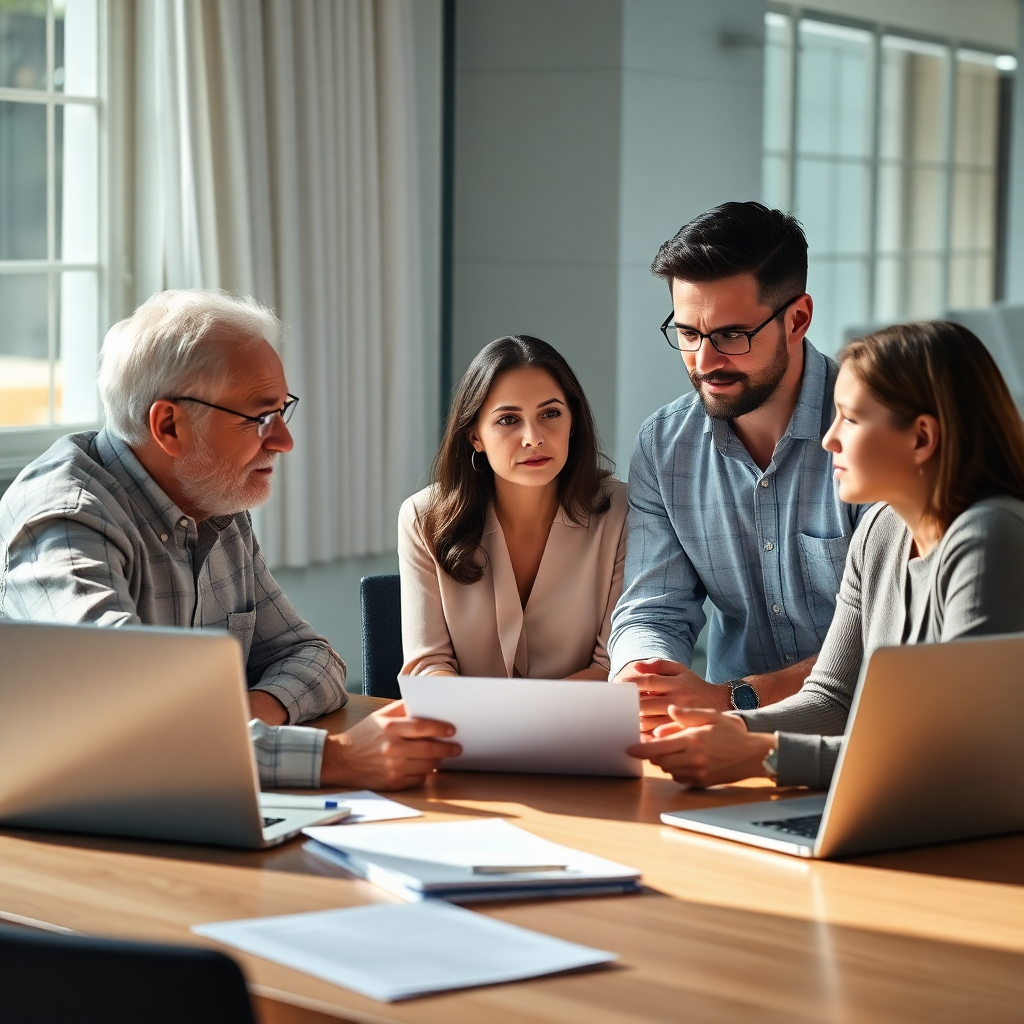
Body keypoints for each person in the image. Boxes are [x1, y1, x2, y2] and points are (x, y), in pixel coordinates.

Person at [0, 289, 459, 791]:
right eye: (259, 417)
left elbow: (314, 658)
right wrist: (338, 759)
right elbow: (122, 725)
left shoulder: (211, 495)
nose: (284, 441)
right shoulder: (66, 522)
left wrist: (241, 719)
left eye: (283, 410)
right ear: (169, 425)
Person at [633, 320, 1024, 788]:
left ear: (921, 438)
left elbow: (959, 749)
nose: (828, 439)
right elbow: (833, 700)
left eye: (851, 419)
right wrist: (726, 731)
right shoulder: (879, 531)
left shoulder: (989, 536)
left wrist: (767, 756)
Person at [608, 202, 870, 733]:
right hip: (716, 739)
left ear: (797, 319)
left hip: (864, 737)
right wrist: (644, 678)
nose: (704, 362)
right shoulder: (664, 446)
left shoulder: (871, 437)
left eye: (731, 335)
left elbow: (886, 641)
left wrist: (736, 698)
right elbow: (653, 609)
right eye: (687, 334)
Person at [399, 335, 626, 679]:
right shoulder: (423, 518)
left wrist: (521, 722)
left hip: (581, 730)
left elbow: (613, 666)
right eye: (508, 419)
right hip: (466, 728)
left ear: (573, 422)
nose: (533, 437)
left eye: (550, 413)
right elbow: (428, 667)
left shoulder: (621, 511)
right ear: (475, 435)